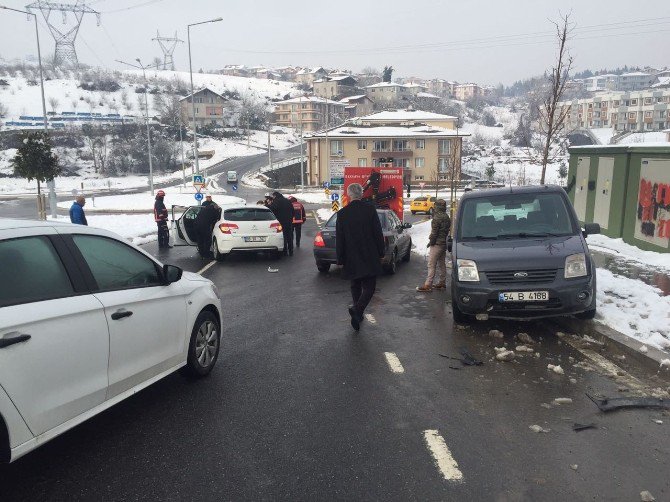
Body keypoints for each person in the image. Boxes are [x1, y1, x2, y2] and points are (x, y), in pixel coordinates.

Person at [336, 183, 385, 331]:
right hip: (369, 254)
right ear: (362, 194)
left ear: (349, 195)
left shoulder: (342, 213)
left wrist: (340, 258)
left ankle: (357, 314)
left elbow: (340, 239)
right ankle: (358, 310)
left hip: (351, 256)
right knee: (370, 287)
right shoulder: (370, 210)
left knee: (355, 284)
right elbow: (378, 233)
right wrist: (381, 252)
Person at [417, 199, 451, 292]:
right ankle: (442, 283)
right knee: (442, 264)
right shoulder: (447, 217)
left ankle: (428, 284)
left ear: (437, 206)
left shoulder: (437, 218)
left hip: (436, 244)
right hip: (443, 243)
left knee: (431, 264)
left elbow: (434, 233)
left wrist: (431, 242)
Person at [268, 191, 294, 256]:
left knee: (283, 236)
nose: (273, 198)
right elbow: (293, 211)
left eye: (273, 196)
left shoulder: (276, 201)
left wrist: (268, 205)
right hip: (289, 222)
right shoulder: (287, 201)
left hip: (281, 222)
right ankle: (291, 250)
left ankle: (284, 251)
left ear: (275, 196)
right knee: (289, 236)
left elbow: (273, 209)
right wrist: (290, 219)